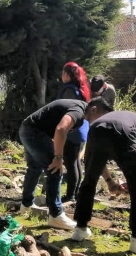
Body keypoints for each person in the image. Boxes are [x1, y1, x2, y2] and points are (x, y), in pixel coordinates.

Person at [71, 97, 136, 254]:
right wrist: (131, 182)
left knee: (89, 181)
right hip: (122, 130)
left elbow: (99, 161)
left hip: (96, 131)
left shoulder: (100, 122)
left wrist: (110, 181)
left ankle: (80, 229)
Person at [18, 99, 88, 231]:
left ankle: (26, 205)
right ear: (95, 109)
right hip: (34, 132)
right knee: (55, 169)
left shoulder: (79, 108)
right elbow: (61, 129)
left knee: (34, 168)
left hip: (27, 128)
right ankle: (56, 215)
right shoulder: (79, 111)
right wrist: (58, 157)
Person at [55, 62, 91, 202]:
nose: (61, 75)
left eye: (63, 72)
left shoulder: (69, 90)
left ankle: (70, 195)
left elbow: (67, 112)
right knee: (75, 162)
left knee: (71, 163)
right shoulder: (79, 89)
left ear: (67, 74)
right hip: (81, 130)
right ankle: (75, 194)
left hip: (72, 131)